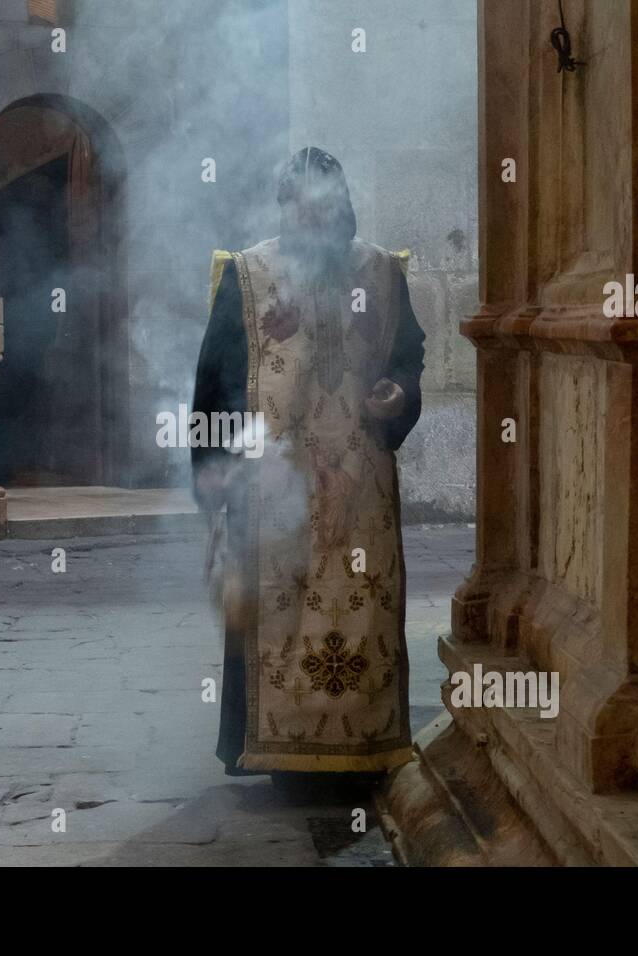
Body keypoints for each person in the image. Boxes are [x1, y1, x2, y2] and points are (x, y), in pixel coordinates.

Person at [192, 147, 426, 779]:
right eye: (298, 207)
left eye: (323, 206)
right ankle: (280, 752)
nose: (311, 219)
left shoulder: (380, 274)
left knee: (360, 613)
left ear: (342, 206)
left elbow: (409, 358)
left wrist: (398, 393)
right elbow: (213, 385)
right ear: (284, 208)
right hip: (276, 487)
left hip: (360, 493)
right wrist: (216, 479)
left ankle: (365, 750)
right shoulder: (248, 276)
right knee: (280, 616)